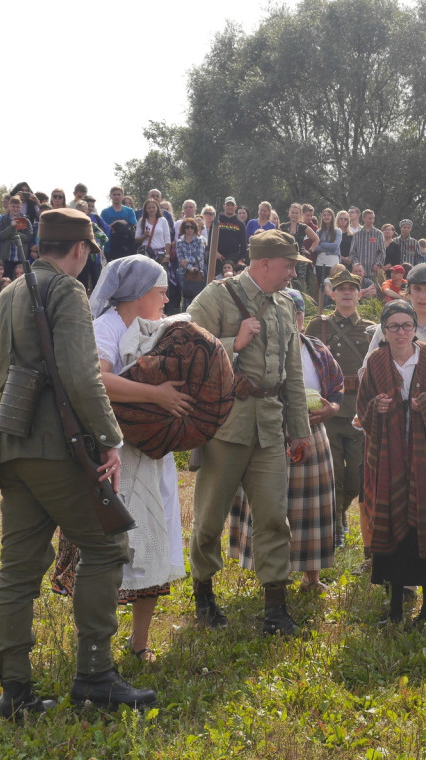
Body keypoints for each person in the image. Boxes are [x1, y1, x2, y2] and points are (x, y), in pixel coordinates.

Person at [0, 208, 156, 717]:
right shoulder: (66, 291)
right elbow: (83, 377)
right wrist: (110, 439)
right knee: (107, 546)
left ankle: (15, 692)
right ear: (82, 249)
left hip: (15, 454)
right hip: (60, 452)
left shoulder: (5, 297)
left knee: (19, 568)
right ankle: (94, 676)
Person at [52, 256, 190, 663]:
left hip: (151, 453)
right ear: (139, 293)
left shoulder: (159, 329)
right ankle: (94, 644)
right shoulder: (106, 327)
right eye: (161, 291)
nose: (166, 298)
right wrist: (156, 395)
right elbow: (97, 380)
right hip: (113, 455)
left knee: (153, 541)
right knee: (108, 545)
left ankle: (139, 642)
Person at [186, 229, 313, 636]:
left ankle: (275, 606)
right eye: (288, 264)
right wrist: (232, 342)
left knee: (275, 517)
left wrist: (301, 429)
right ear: (263, 263)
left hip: (271, 427)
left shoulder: (282, 307)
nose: (292, 272)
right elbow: (183, 350)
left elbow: (292, 373)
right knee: (209, 519)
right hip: (225, 426)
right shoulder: (215, 297)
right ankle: (203, 594)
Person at [230, 288, 342, 591]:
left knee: (313, 507)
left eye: (297, 314)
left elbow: (336, 391)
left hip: (310, 432)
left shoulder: (317, 349)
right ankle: (269, 574)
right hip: (267, 430)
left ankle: (311, 577)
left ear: (303, 319)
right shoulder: (258, 348)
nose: (292, 321)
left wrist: (332, 408)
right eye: (285, 315)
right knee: (268, 504)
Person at [357, 301, 426, 623]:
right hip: (389, 458)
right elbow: (363, 409)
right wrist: (377, 406)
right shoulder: (376, 361)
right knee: (392, 526)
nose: (401, 332)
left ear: (415, 328)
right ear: (383, 333)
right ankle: (396, 608)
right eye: (393, 327)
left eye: (406, 326)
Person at [305, 269, 376, 550]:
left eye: (352, 288)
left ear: (359, 294)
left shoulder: (371, 328)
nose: (347, 292)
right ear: (332, 294)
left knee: (357, 477)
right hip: (328, 409)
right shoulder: (317, 327)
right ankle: (335, 521)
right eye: (341, 288)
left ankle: (343, 509)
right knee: (332, 473)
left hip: (360, 410)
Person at [175, 218, 208, 307]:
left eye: (192, 227)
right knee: (186, 298)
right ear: (183, 228)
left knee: (197, 298)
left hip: (198, 273)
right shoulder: (179, 242)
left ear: (195, 228)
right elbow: (180, 260)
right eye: (187, 227)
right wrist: (190, 268)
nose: (190, 229)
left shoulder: (200, 240)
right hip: (183, 272)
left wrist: (188, 261)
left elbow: (200, 256)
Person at [135, 199, 173, 264]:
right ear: (145, 210)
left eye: (153, 207)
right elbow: (136, 239)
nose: (151, 209)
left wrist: (167, 255)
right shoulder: (141, 221)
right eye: (149, 208)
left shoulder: (163, 220)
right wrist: (145, 236)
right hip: (147, 254)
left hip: (160, 254)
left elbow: (167, 239)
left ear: (157, 208)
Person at [314, 208, 343, 288]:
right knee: (321, 288)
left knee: (333, 287)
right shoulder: (318, 232)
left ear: (332, 217)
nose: (326, 217)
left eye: (328, 215)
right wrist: (329, 244)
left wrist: (322, 243)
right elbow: (316, 247)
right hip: (320, 262)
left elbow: (336, 246)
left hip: (333, 262)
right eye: (324, 215)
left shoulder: (337, 231)